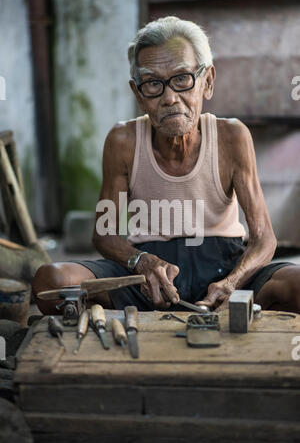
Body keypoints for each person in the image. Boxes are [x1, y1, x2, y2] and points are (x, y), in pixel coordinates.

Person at [33, 16, 300, 315]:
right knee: (51, 282)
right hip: (146, 272)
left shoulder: (231, 137)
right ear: (138, 94)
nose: (170, 98)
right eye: (152, 84)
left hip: (226, 265)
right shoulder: (123, 140)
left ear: (207, 82)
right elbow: (104, 234)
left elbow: (264, 238)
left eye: (182, 78)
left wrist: (233, 283)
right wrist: (140, 262)